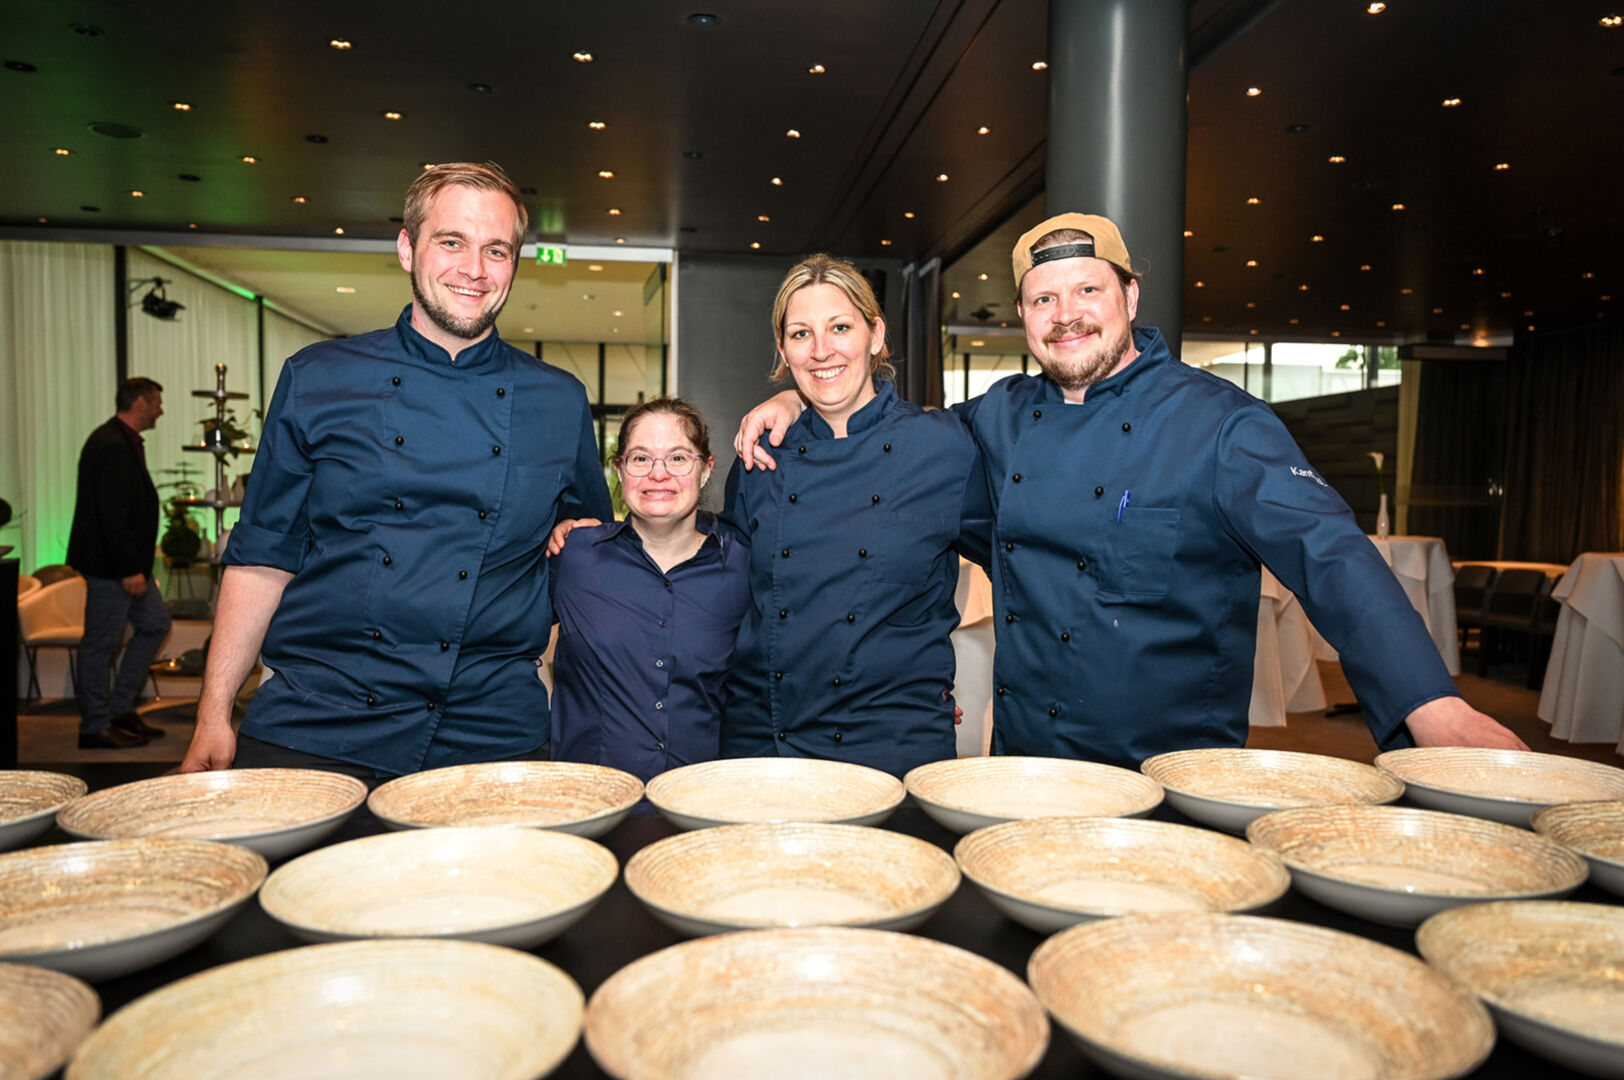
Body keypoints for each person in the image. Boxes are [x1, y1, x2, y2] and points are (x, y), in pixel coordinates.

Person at [735, 214, 1525, 766]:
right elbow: (882, 445)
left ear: (1131, 297)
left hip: (1166, 774)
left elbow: (1331, 556)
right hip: (1026, 768)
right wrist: (793, 400)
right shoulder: (996, 420)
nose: (1066, 315)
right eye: (1044, 299)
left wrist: (1429, 700)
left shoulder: (1220, 423)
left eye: (1088, 291)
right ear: (1022, 315)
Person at [179, 162, 612, 778]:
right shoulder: (318, 378)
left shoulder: (558, 400)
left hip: (489, 732)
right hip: (320, 721)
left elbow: (588, 552)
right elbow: (261, 557)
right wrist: (213, 712)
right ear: (408, 248)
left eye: (497, 250)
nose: (475, 269)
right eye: (452, 242)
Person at [720, 254, 991, 777]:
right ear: (783, 350)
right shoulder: (762, 455)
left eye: (840, 327)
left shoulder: (942, 447)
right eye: (801, 334)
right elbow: (727, 593)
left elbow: (1015, 562)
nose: (821, 351)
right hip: (765, 743)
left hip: (891, 747)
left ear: (875, 333)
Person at [547, 398, 751, 783]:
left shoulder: (741, 569)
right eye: (641, 459)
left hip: (697, 803)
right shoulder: (573, 555)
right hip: (587, 802)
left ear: (705, 470)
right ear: (619, 471)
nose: (659, 474)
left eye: (678, 458)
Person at [66, 377, 173, 748]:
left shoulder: (119, 440)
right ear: (140, 402)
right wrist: (130, 569)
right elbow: (112, 514)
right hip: (113, 568)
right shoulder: (112, 444)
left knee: (156, 624)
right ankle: (94, 727)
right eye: (157, 402)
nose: (161, 409)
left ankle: (120, 709)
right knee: (100, 645)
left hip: (127, 567)